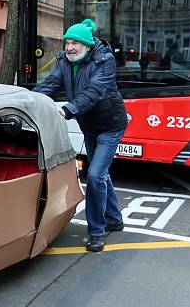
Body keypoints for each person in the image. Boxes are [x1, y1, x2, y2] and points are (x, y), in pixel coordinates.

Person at [33, 19, 128, 252]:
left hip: (110, 125)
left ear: (86, 44)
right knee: (101, 174)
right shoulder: (65, 62)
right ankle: (115, 219)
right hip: (89, 125)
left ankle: (97, 231)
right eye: (67, 43)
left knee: (95, 175)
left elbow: (95, 92)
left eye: (74, 43)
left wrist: (68, 110)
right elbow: (51, 84)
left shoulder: (104, 61)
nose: (69, 47)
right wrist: (28, 102)